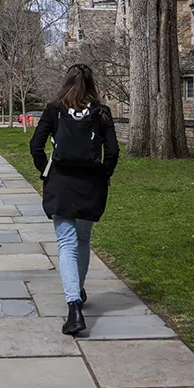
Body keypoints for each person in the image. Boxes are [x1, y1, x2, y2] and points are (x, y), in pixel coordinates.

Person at [29, 63, 119, 336]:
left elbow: (36, 145)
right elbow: (112, 151)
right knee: (82, 239)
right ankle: (77, 290)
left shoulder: (54, 109)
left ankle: (74, 307)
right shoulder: (102, 112)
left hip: (61, 183)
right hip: (89, 184)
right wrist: (104, 174)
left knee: (67, 243)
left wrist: (45, 170)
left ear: (66, 82)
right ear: (92, 85)